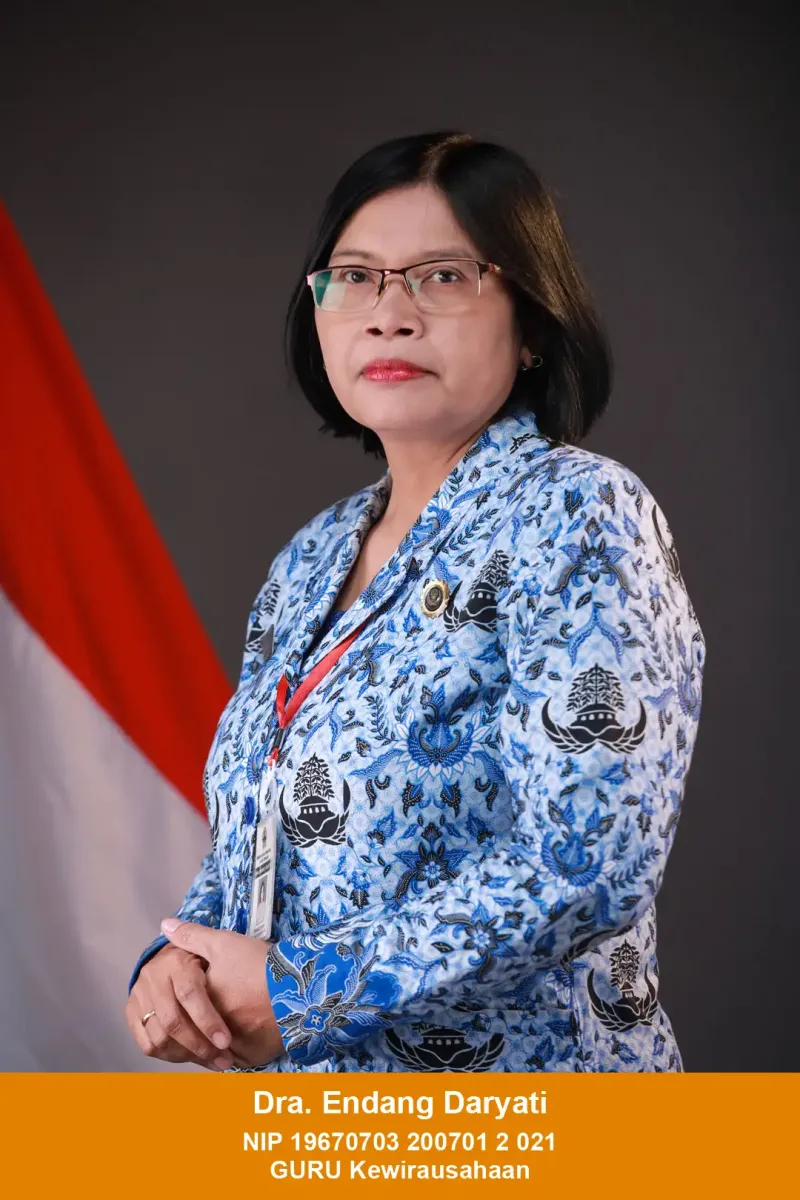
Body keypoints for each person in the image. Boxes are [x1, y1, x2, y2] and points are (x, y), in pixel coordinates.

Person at [124, 130, 705, 1073]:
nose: (389, 315)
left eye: (442, 276)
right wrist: (177, 961)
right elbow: (266, 830)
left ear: (532, 323)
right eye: (355, 277)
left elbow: (588, 863)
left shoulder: (579, 511)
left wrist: (312, 989)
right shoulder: (309, 558)